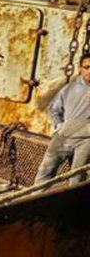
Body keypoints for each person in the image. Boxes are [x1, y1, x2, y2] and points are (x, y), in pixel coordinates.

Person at [33, 52, 90, 184]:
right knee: (45, 172)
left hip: (86, 140)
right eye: (87, 67)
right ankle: (37, 196)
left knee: (77, 177)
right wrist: (59, 127)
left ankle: (72, 198)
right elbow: (54, 109)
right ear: (80, 68)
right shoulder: (69, 88)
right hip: (63, 136)